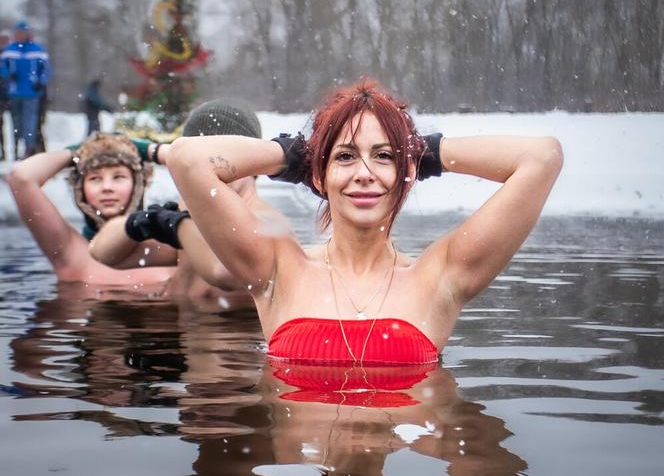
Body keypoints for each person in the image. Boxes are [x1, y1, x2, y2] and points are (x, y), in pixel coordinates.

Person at [165, 77, 563, 362]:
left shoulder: (442, 275)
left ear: (405, 170)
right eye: (344, 156)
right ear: (318, 174)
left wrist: (424, 153)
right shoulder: (276, 268)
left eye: (383, 155)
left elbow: (542, 157)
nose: (364, 172)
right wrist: (295, 155)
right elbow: (186, 157)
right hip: (299, 463)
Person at [87, 98, 283, 309]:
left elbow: (226, 273)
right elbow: (102, 253)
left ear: (251, 163)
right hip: (176, 333)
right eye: (197, 161)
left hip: (231, 338)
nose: (208, 169)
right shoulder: (192, 216)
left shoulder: (267, 221)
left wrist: (179, 225)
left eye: (221, 158)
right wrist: (141, 223)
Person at [6, 132, 175, 287]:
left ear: (138, 184)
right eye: (95, 178)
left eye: (118, 177)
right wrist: (78, 154)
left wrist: (148, 150)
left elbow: (195, 163)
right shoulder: (69, 250)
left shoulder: (170, 248)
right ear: (80, 188)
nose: (107, 187)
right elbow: (21, 176)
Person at [0, 21, 50, 158]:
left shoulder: (37, 50)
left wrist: (41, 82)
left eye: (23, 33)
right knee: (16, 123)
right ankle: (15, 150)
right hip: (14, 93)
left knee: (30, 123)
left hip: (32, 93)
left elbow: (46, 69)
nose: (20, 35)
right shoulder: (10, 50)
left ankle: (28, 150)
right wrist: (7, 74)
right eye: (18, 33)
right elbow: (2, 67)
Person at [0, 28, 14, 161]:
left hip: (12, 94)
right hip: (3, 95)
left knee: (18, 125)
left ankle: (15, 151)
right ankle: (3, 151)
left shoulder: (13, 54)